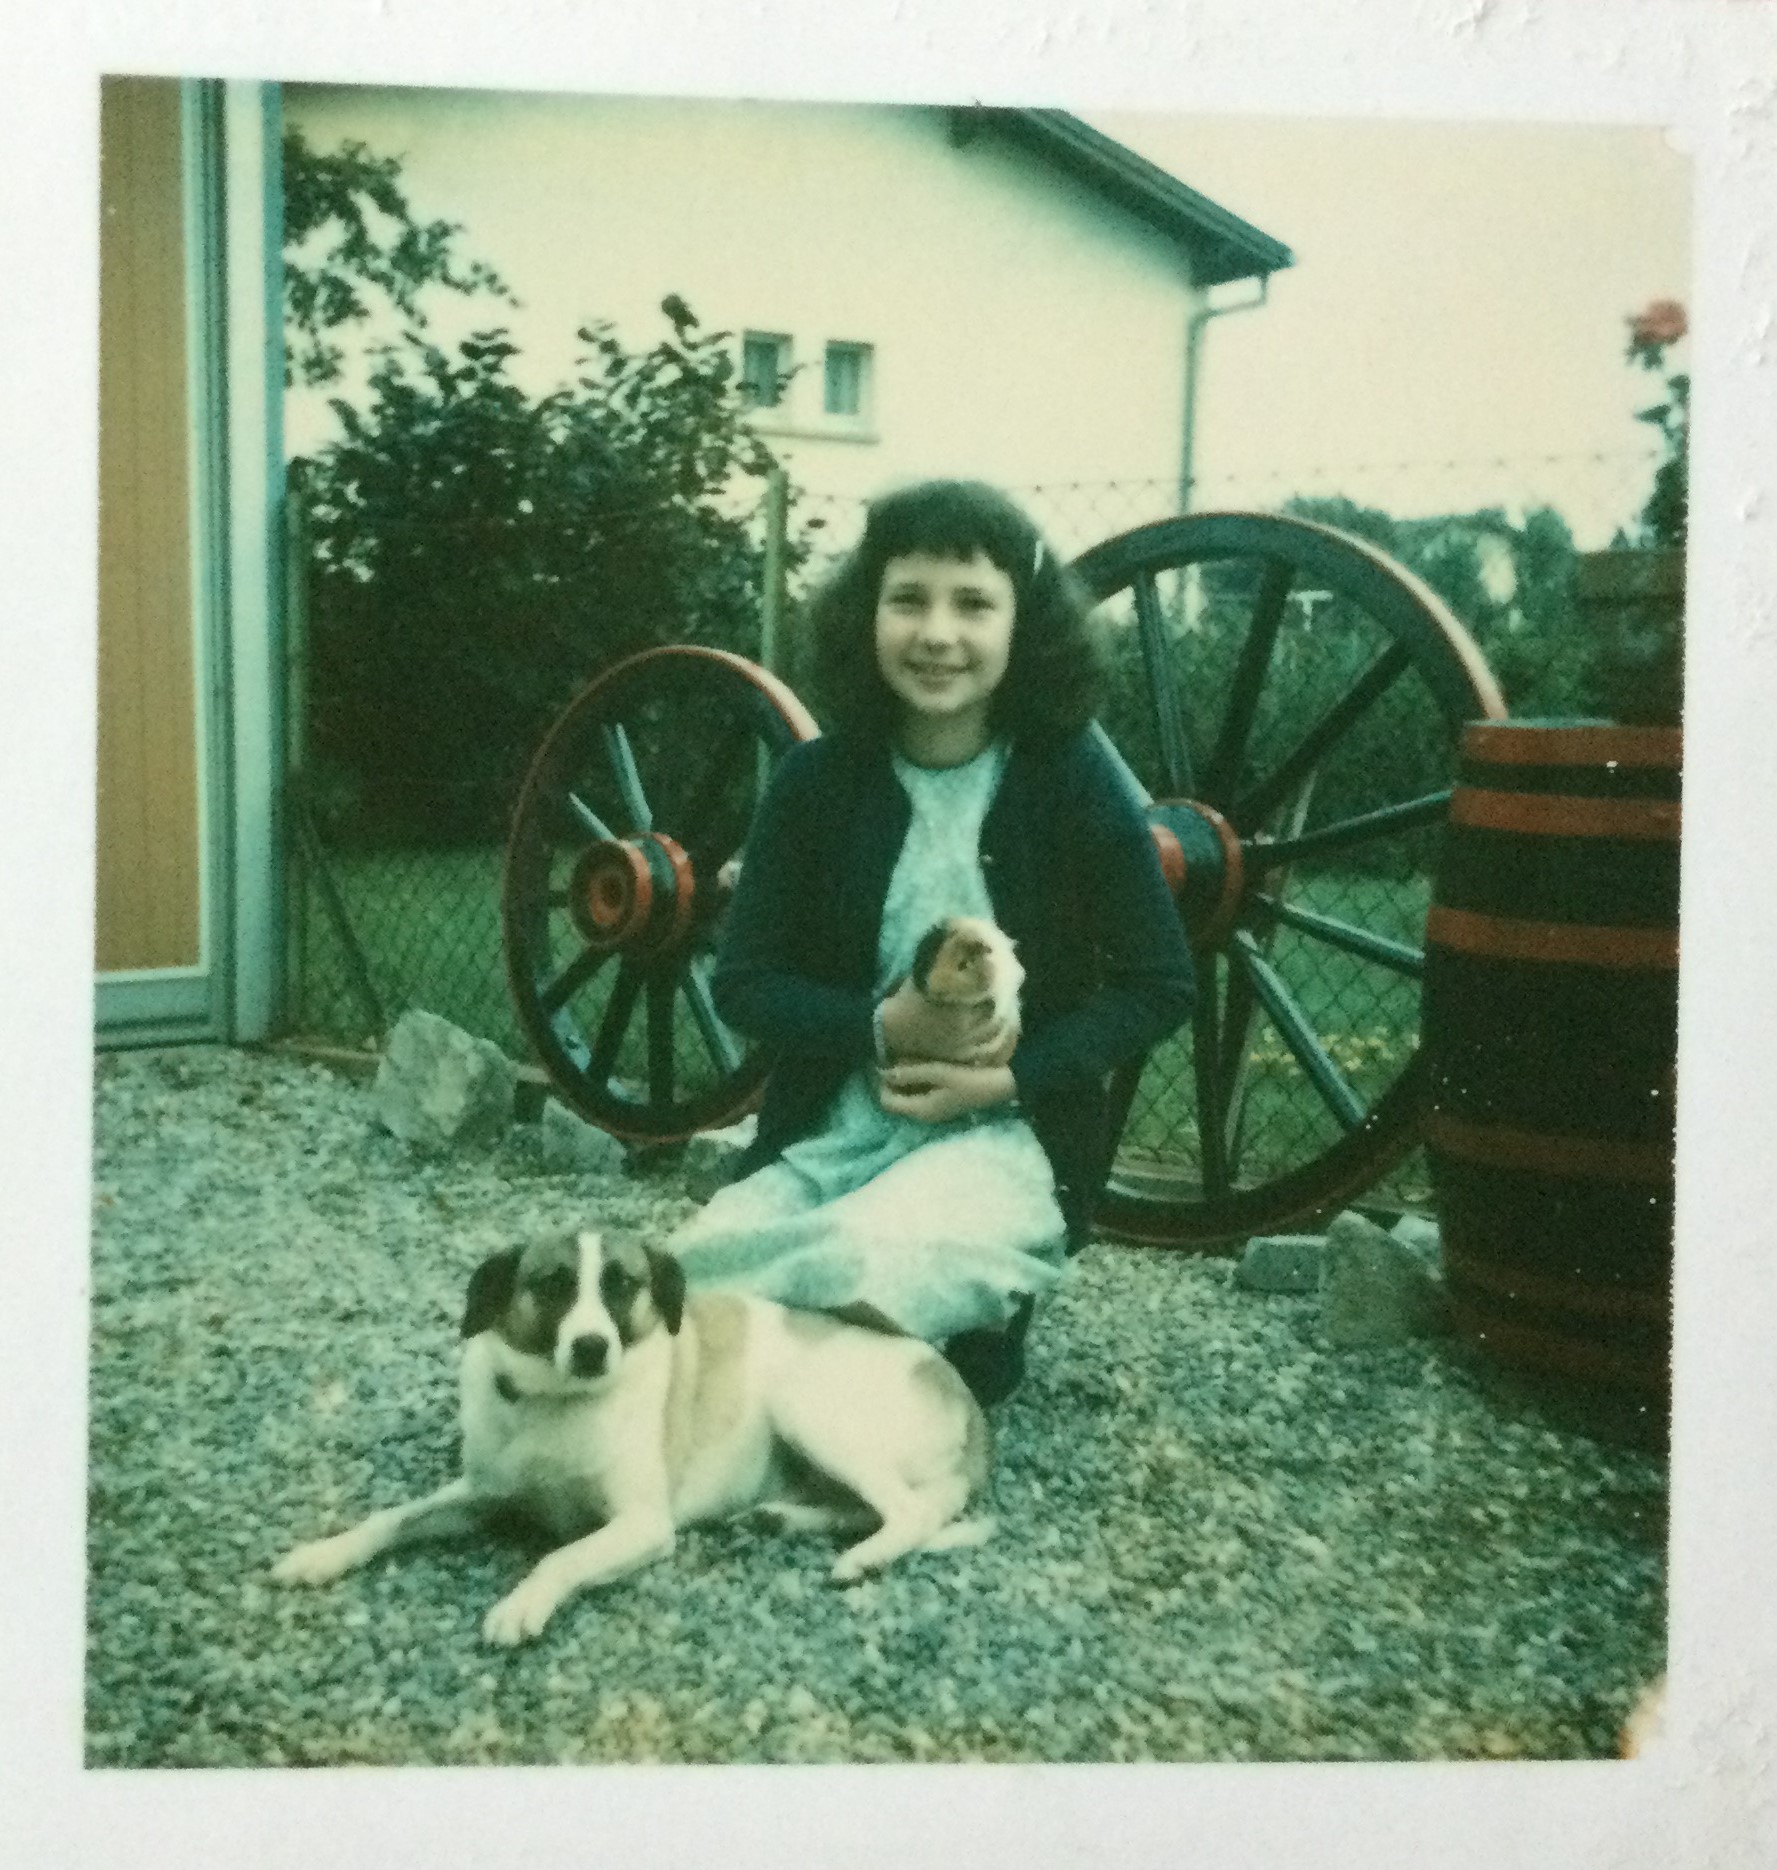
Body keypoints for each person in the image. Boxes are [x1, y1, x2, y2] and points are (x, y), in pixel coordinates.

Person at [666, 479, 1194, 1404]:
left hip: (1005, 1140)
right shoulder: (813, 782)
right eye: (907, 599)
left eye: (973, 604)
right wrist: (882, 1028)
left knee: (858, 1257)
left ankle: (921, 1317)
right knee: (677, 1283)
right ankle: (907, 1341)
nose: (937, 634)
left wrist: (1009, 1079)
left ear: (1022, 624)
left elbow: (1160, 983)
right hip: (835, 1136)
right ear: (865, 614)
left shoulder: (1069, 778)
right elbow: (745, 983)